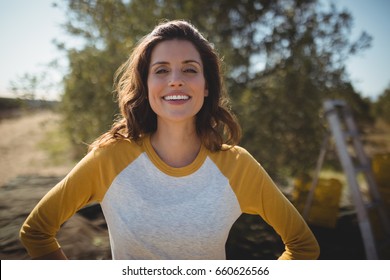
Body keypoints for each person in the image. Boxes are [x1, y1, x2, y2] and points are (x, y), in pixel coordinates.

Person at [19, 20, 320, 260]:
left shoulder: (238, 166)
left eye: (190, 69)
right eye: (161, 70)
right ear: (147, 85)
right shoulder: (110, 159)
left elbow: (303, 247)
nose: (176, 79)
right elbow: (36, 232)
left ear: (205, 87)